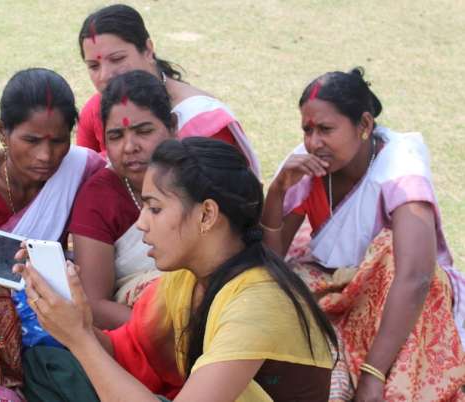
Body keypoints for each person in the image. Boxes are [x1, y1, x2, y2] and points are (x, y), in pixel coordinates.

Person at [18, 137, 338, 401]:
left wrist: (80, 340)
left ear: (207, 215)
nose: (141, 223)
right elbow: (127, 353)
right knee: (48, 363)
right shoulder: (187, 277)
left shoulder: (259, 301)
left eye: (155, 208)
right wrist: (81, 325)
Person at [261, 68, 465, 400]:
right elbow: (270, 261)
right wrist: (277, 191)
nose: (314, 142)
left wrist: (372, 376)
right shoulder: (307, 167)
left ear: (365, 125)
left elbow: (415, 276)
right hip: (337, 286)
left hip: (403, 296)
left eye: (326, 129)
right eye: (307, 130)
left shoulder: (400, 168)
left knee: (388, 250)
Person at [0, 68, 103, 390]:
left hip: (45, 300)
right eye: (30, 140)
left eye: (58, 141)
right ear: (2, 132)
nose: (45, 155)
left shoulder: (79, 171)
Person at [75, 4, 260, 176]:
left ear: (148, 50)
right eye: (93, 66)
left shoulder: (201, 119)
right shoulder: (95, 109)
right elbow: (84, 178)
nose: (105, 75)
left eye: (117, 59)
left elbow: (225, 199)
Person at [70, 70, 175, 329]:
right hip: (139, 328)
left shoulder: (198, 178)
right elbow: (94, 303)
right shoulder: (99, 197)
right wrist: (169, 331)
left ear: (172, 126)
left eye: (144, 131)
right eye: (116, 136)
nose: (129, 147)